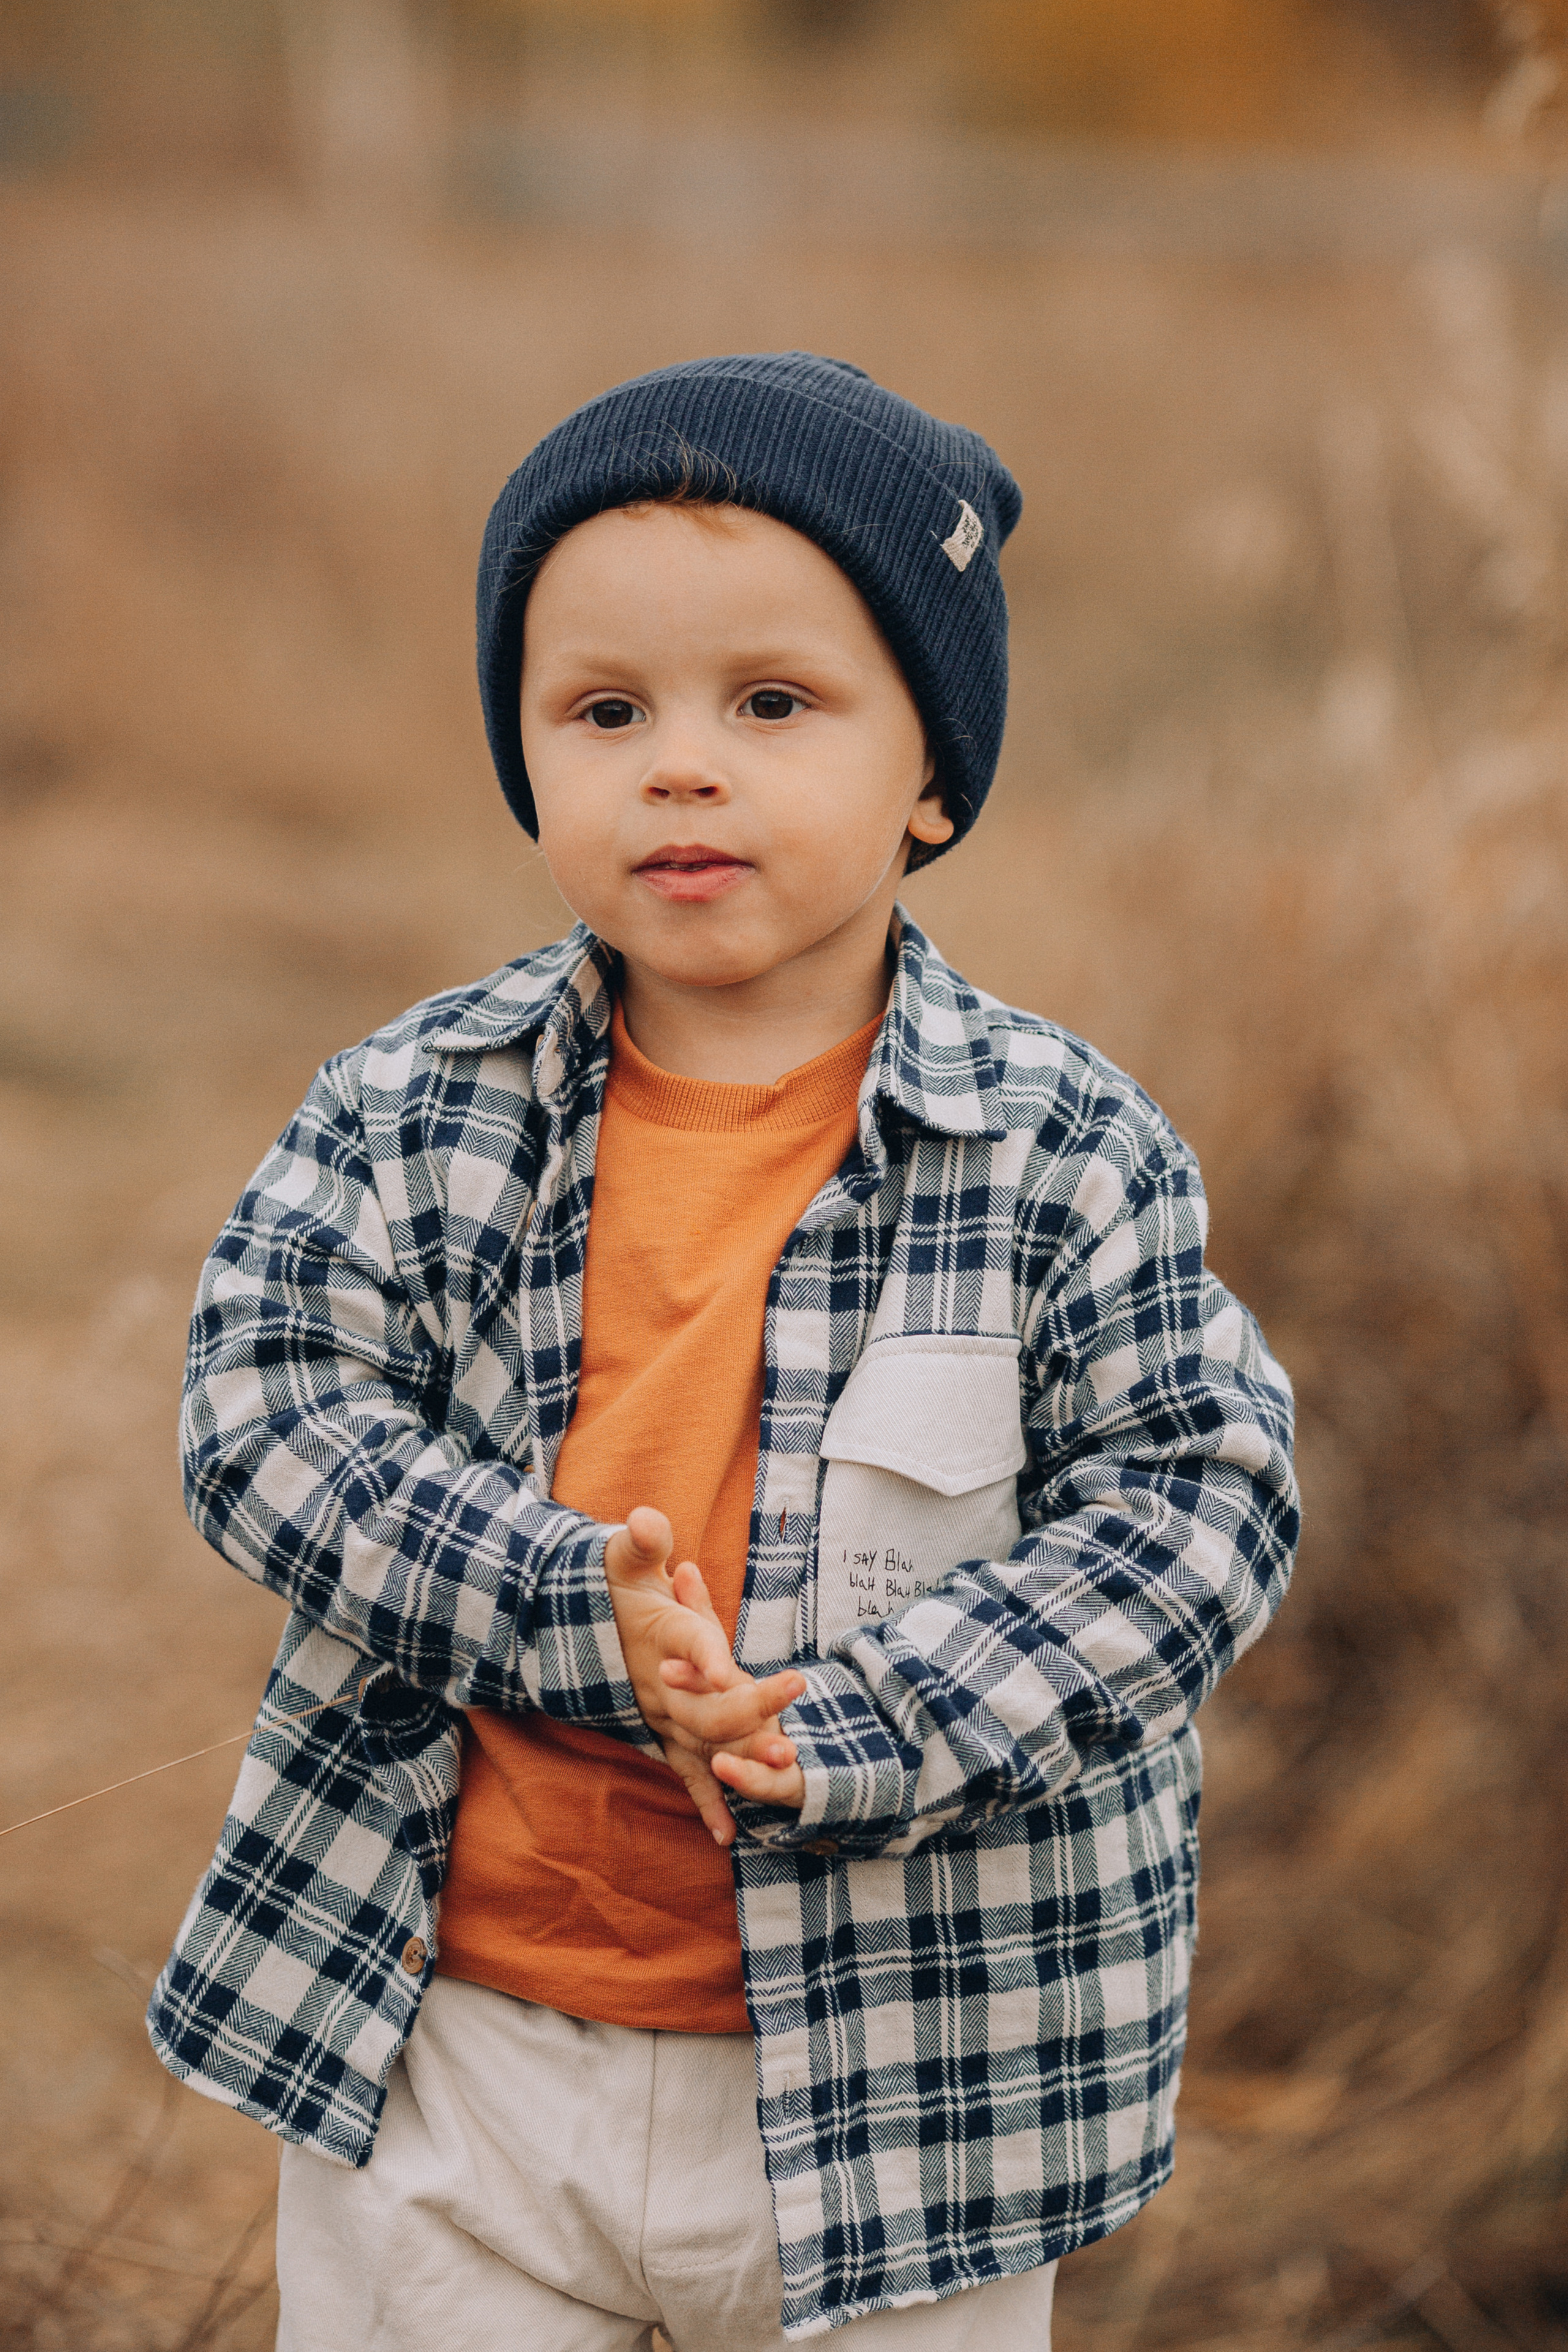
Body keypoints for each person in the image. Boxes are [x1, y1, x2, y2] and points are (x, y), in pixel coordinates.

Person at [148, 353, 1299, 2349]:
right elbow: (263, 1399)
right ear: (528, 760)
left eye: (772, 705)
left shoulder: (1062, 1148)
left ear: (929, 771)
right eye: (604, 712)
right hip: (461, 2047)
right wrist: (567, 1609)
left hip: (916, 2076)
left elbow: (1200, 1500)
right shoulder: (418, 1107)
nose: (679, 765)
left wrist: (856, 1726)